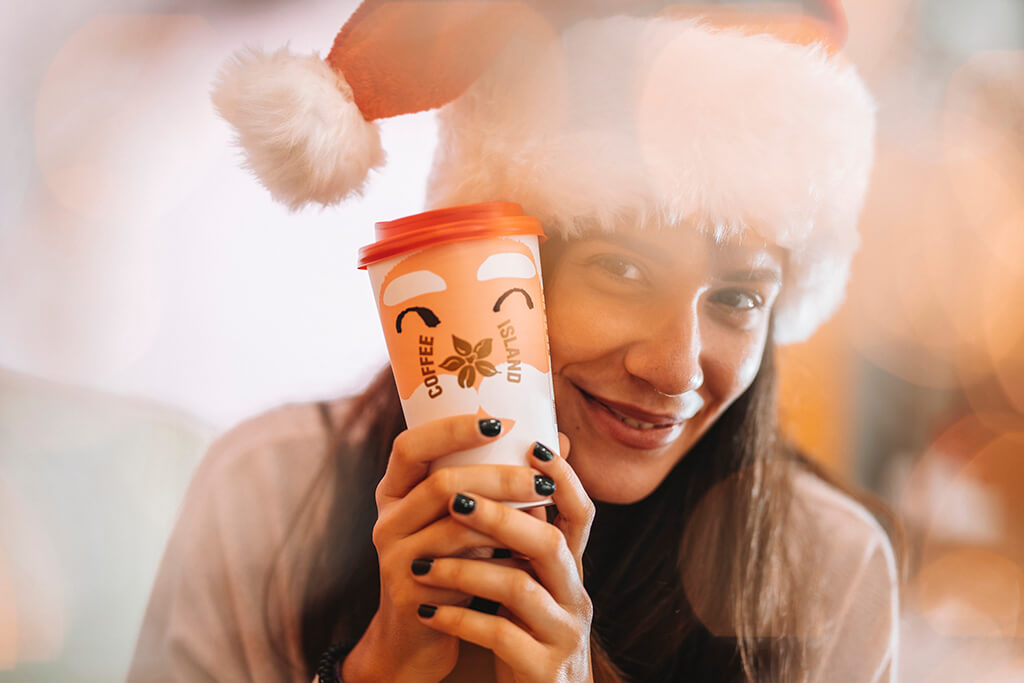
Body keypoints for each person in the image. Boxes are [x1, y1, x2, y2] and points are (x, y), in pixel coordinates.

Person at [128, 2, 901, 681]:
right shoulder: (268, 493)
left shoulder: (828, 574)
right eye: (624, 269)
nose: (674, 367)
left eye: (737, 297)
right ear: (496, 263)